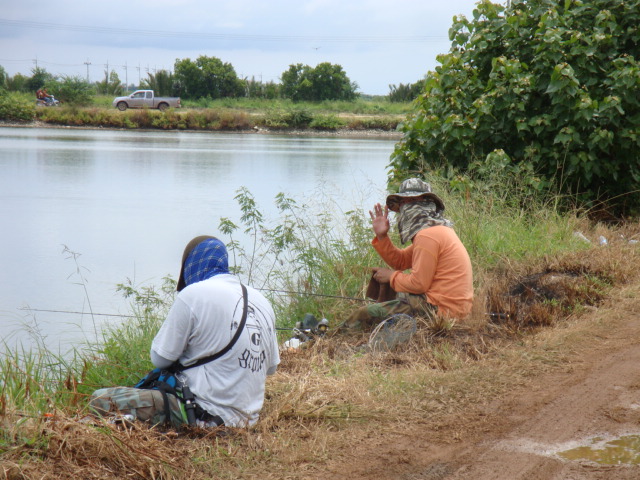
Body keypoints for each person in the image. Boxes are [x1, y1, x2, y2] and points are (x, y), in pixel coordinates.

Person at [150, 235, 280, 427]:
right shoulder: (262, 300)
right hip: (248, 420)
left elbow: (160, 359)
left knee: (103, 399)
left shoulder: (192, 295)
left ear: (191, 265)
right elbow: (271, 368)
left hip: (203, 415)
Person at [340, 178, 474, 331]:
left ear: (426, 201)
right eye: (403, 202)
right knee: (388, 294)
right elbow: (401, 261)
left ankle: (334, 335)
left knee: (364, 313)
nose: (407, 205)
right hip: (448, 307)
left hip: (441, 310)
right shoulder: (437, 231)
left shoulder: (428, 236)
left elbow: (419, 284)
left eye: (413, 200)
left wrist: (391, 276)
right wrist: (382, 237)